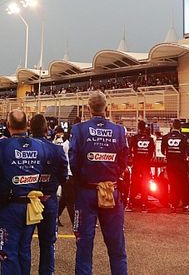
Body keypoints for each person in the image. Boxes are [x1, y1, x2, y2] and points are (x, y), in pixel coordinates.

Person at [69, 91, 129, 275]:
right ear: (107, 108)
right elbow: (124, 160)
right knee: (116, 247)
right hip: (110, 189)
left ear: (88, 109)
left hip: (86, 191)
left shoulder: (78, 129)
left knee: (84, 246)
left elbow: (73, 160)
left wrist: (85, 178)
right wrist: (111, 176)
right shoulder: (119, 130)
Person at [0, 110, 50, 275]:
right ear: (27, 126)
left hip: (9, 207)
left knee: (7, 252)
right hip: (31, 206)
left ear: (8, 126)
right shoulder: (40, 146)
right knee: (24, 250)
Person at [30, 112, 68, 275]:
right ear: (47, 129)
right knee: (48, 245)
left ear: (30, 129)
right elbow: (64, 177)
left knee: (23, 245)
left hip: (28, 201)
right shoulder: (57, 149)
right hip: (48, 200)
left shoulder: (26, 147)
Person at [161, 119, 189, 212]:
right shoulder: (184, 137)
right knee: (183, 185)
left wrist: (169, 154)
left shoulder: (166, 137)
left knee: (173, 184)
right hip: (181, 165)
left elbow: (162, 151)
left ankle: (173, 205)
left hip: (170, 165)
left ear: (172, 126)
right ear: (180, 127)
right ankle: (184, 205)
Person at [127, 120, 155, 212]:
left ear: (138, 128)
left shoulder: (134, 138)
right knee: (145, 184)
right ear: (145, 128)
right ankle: (144, 204)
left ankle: (130, 204)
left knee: (133, 183)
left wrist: (132, 159)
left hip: (137, 164)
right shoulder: (150, 139)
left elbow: (129, 150)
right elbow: (152, 153)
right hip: (146, 165)